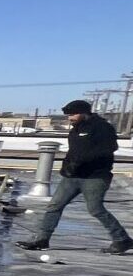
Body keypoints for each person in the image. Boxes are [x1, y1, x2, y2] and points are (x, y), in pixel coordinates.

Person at [19, 99, 131, 254]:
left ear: (84, 113)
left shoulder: (102, 127)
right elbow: (74, 152)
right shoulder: (76, 129)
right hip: (72, 176)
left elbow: (109, 148)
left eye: (73, 114)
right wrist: (67, 167)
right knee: (54, 206)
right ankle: (41, 239)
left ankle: (122, 240)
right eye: (68, 115)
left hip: (95, 176)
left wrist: (84, 160)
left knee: (95, 209)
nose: (70, 118)